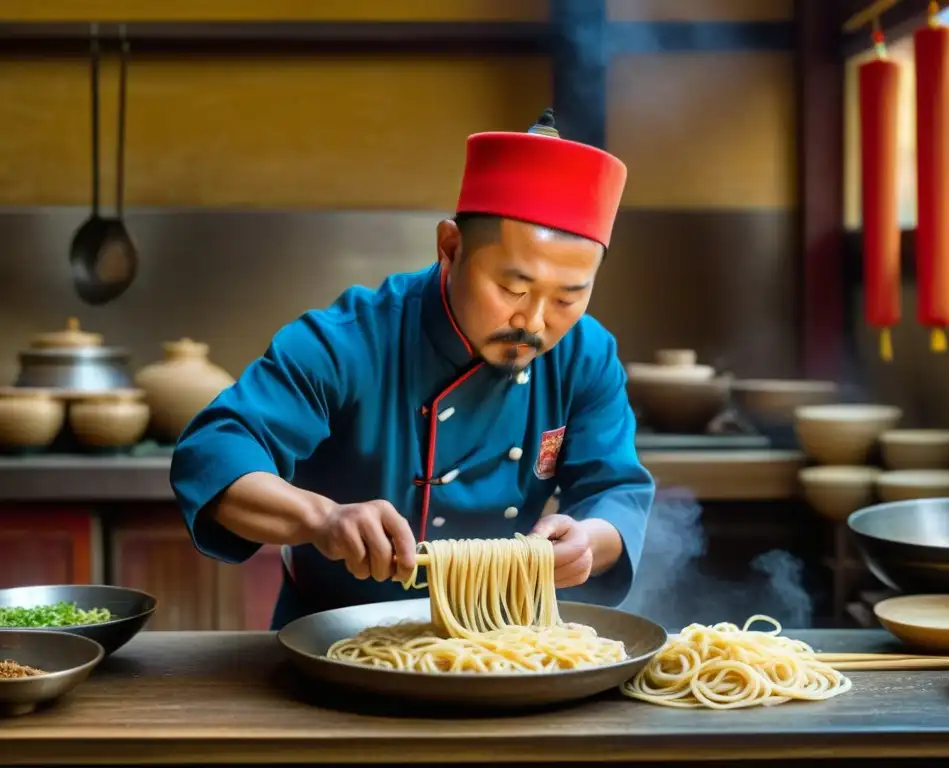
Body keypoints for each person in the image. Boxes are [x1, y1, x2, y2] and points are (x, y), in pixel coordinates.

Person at [170, 109, 655, 630]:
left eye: (567, 298)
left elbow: (616, 490)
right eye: (513, 289)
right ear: (450, 248)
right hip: (334, 638)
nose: (533, 322)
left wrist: (592, 541)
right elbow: (214, 450)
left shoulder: (585, 353)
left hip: (507, 643)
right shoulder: (352, 339)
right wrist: (321, 519)